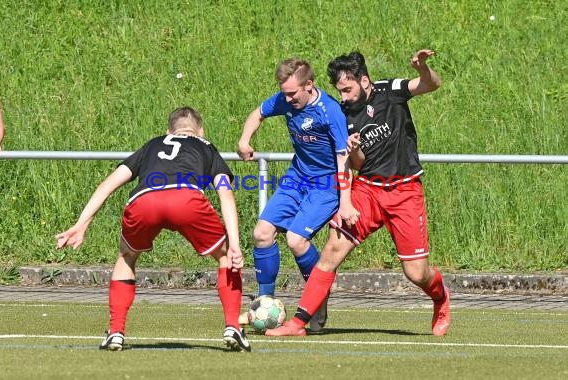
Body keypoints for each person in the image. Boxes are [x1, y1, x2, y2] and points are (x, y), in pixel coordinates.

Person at [266, 49, 451, 337]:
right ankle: (297, 323)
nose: (343, 97)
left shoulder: (391, 90)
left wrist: (422, 68)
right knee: (331, 251)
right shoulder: (343, 114)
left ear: (365, 81)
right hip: (368, 190)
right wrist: (347, 197)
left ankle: (440, 298)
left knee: (416, 273)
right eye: (339, 91)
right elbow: (353, 164)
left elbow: (431, 85)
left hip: (405, 192)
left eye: (348, 89)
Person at [56, 106, 251, 352]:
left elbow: (109, 184)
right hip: (186, 199)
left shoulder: (153, 144)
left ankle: (116, 332)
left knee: (126, 257)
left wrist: (81, 223)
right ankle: (233, 326)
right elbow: (225, 194)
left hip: (145, 201)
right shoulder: (206, 146)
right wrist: (234, 243)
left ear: (168, 131)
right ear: (200, 131)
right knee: (224, 257)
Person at [237, 58, 356, 331]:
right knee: (262, 234)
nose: (287, 99)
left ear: (309, 85)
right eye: (284, 93)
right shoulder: (285, 99)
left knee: (296, 239)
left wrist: (345, 201)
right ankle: (263, 304)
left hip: (326, 184)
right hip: (296, 178)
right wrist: (245, 141)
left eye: (292, 93)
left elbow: (343, 158)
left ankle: (317, 302)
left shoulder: (330, 111)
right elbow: (258, 114)